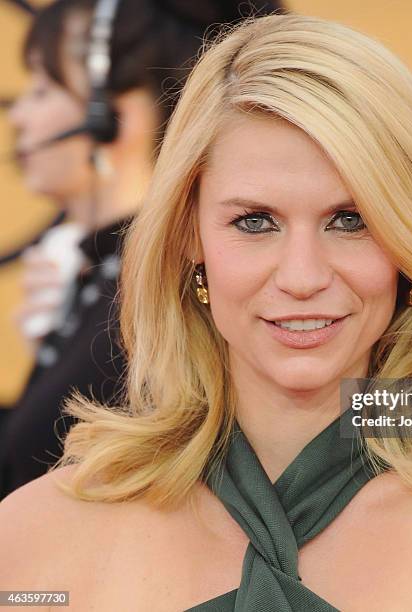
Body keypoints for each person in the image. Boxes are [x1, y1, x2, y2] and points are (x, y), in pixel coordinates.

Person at [1, 13, 412, 611]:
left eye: (350, 220)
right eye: (254, 222)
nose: (303, 277)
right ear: (189, 238)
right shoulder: (37, 542)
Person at [0, 0, 284, 499]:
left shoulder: (154, 285)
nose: (18, 114)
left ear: (112, 117)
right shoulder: (103, 275)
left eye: (43, 89)